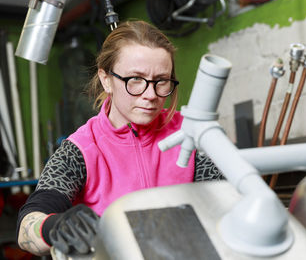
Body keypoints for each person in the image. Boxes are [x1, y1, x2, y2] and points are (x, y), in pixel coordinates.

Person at [16, 20, 222, 256]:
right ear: (106, 79)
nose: (151, 95)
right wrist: (54, 226)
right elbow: (26, 229)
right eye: (135, 79)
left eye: (161, 81)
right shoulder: (80, 150)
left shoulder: (190, 134)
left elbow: (224, 203)